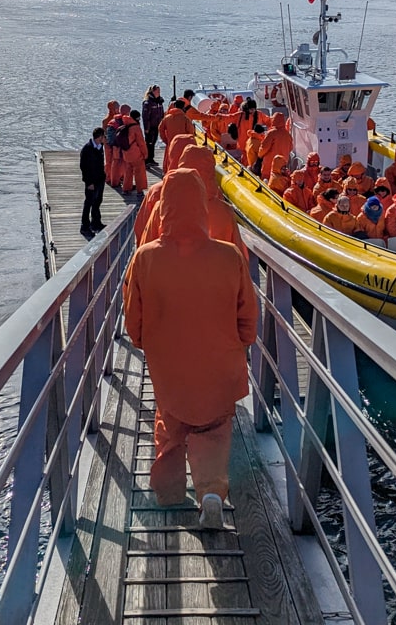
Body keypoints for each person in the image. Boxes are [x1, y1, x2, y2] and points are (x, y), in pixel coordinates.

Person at [124, 169, 258, 528]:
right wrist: (241, 341)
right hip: (219, 362)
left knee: (171, 425)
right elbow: (248, 314)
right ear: (200, 204)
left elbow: (132, 318)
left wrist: (144, 341)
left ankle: (168, 493)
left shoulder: (146, 258)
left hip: (169, 364)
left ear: (165, 206)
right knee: (214, 430)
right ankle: (211, 493)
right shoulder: (229, 256)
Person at [138, 145, 248, 262]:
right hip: (214, 276)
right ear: (211, 169)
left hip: (170, 274)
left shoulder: (160, 206)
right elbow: (239, 259)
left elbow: (143, 241)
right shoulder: (224, 210)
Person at [79, 127, 107, 236]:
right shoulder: (87, 149)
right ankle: (85, 226)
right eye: (103, 136)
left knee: (97, 201)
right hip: (91, 181)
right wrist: (88, 182)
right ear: (99, 137)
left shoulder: (100, 147)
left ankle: (96, 222)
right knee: (89, 203)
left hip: (100, 179)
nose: (105, 138)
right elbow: (83, 167)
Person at [158, 99, 195, 172]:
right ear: (183, 107)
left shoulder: (167, 118)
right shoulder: (185, 118)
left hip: (171, 142)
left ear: (174, 106)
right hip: (182, 144)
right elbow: (191, 132)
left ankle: (167, 174)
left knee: (169, 160)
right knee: (181, 160)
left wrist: (165, 139)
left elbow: (160, 129)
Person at [257, 112, 293, 181]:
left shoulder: (271, 133)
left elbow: (264, 148)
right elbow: (290, 148)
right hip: (282, 165)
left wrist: (259, 156)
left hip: (269, 165)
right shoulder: (287, 134)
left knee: (266, 183)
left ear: (273, 120)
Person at [121, 109, 148, 194]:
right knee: (139, 172)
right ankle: (139, 190)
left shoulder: (125, 125)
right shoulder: (136, 128)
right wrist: (145, 154)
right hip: (136, 154)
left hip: (126, 153)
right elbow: (141, 143)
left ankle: (126, 189)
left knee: (128, 171)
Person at [141, 84, 165, 165]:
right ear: (152, 91)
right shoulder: (148, 103)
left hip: (157, 125)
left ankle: (151, 159)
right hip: (150, 126)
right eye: (157, 91)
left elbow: (162, 114)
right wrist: (146, 128)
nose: (159, 92)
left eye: (159, 91)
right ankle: (146, 159)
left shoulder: (159, 102)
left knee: (153, 142)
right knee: (149, 143)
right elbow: (145, 116)